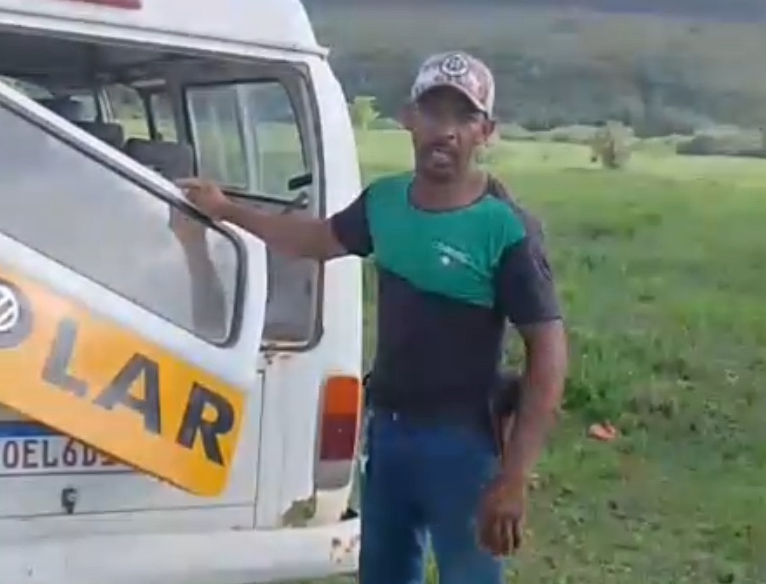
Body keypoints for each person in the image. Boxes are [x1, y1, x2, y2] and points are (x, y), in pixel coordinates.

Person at [177, 51, 568, 584]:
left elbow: (548, 354)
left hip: (465, 448)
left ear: (486, 132)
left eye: (464, 117)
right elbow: (312, 241)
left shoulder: (507, 229)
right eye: (434, 113)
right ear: (409, 118)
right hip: (388, 440)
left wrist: (514, 477)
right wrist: (225, 211)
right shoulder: (383, 203)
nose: (446, 131)